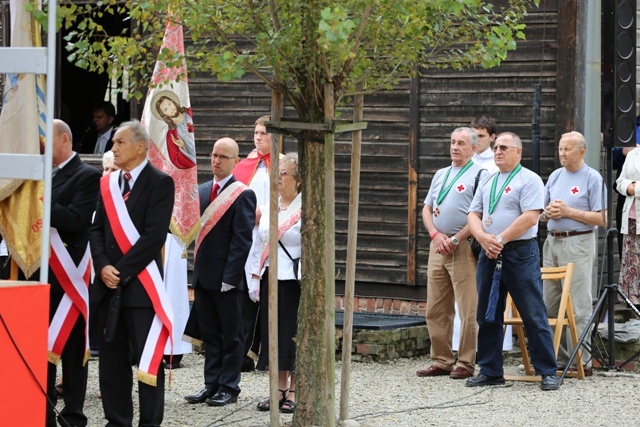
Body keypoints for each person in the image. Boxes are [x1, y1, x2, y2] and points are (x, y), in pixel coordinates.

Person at [89, 120, 175, 426]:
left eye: (120, 143)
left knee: (147, 364)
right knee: (111, 365)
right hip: (108, 287)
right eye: (113, 143)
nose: (113, 148)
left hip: (140, 288)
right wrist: (102, 266)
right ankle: (117, 420)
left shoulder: (160, 183)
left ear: (140, 147)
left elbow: (154, 237)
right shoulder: (108, 184)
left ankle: (149, 422)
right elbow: (96, 229)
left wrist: (120, 271)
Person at [467, 132, 560, 391]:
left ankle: (547, 371)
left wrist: (500, 239)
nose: (497, 151)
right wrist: (484, 238)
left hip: (519, 253)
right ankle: (490, 370)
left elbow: (531, 216)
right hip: (489, 252)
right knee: (487, 313)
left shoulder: (529, 179)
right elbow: (473, 213)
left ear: (518, 152)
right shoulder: (488, 179)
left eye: (504, 147)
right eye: (496, 147)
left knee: (533, 312)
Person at [184, 137, 256, 407]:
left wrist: (230, 276)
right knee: (210, 335)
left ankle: (229, 386)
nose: (216, 160)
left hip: (227, 280)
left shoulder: (243, 194)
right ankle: (210, 384)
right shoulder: (202, 191)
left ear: (236, 162)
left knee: (231, 335)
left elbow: (242, 240)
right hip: (203, 277)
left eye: (223, 157)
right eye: (214, 155)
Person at [415, 127, 486, 381]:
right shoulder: (441, 173)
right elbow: (426, 208)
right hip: (438, 244)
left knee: (468, 307)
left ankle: (466, 362)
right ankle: (441, 360)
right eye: (453, 142)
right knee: (436, 306)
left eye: (461, 143)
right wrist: (435, 235)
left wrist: (456, 238)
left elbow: (478, 214)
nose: (455, 147)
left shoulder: (481, 174)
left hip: (463, 246)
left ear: (474, 148)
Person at [44, 119, 101, 427]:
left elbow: (77, 220)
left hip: (68, 277)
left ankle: (73, 415)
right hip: (39, 274)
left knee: (71, 351)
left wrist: (39, 199)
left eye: (47, 138)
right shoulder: (42, 174)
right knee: (41, 349)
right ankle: (43, 412)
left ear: (65, 140)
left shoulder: (87, 174)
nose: (42, 145)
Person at [540, 131, 606, 374]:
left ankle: (581, 361)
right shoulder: (556, 176)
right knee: (550, 302)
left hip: (578, 242)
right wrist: (547, 212)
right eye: (560, 149)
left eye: (567, 149)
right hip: (552, 241)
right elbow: (541, 212)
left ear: (581, 151)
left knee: (578, 304)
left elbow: (602, 217)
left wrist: (568, 212)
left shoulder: (592, 178)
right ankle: (556, 359)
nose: (562, 154)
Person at [247, 152, 302, 412]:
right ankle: (278, 388)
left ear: (298, 180)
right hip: (271, 275)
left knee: (291, 334)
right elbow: (261, 242)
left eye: (284, 173)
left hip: (293, 278)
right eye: (276, 173)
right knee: (274, 334)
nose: (278, 178)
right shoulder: (270, 204)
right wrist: (256, 276)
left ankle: (294, 389)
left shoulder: (306, 207)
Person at [234, 115, 278, 372]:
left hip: (272, 236)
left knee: (269, 295)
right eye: (256, 132)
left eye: (263, 132)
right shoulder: (245, 165)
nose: (258, 136)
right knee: (245, 297)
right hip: (247, 236)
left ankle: (267, 355)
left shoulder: (282, 164)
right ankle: (243, 354)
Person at [616, 146, 640, 306]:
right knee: (632, 264)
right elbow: (619, 182)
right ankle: (634, 305)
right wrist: (628, 187)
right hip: (632, 219)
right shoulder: (633, 154)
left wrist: (634, 187)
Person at [151, 90, 196, 169]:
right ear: (163, 115)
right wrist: (182, 147)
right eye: (166, 109)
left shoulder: (190, 112)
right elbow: (176, 161)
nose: (171, 109)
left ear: (173, 102)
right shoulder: (171, 135)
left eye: (170, 104)